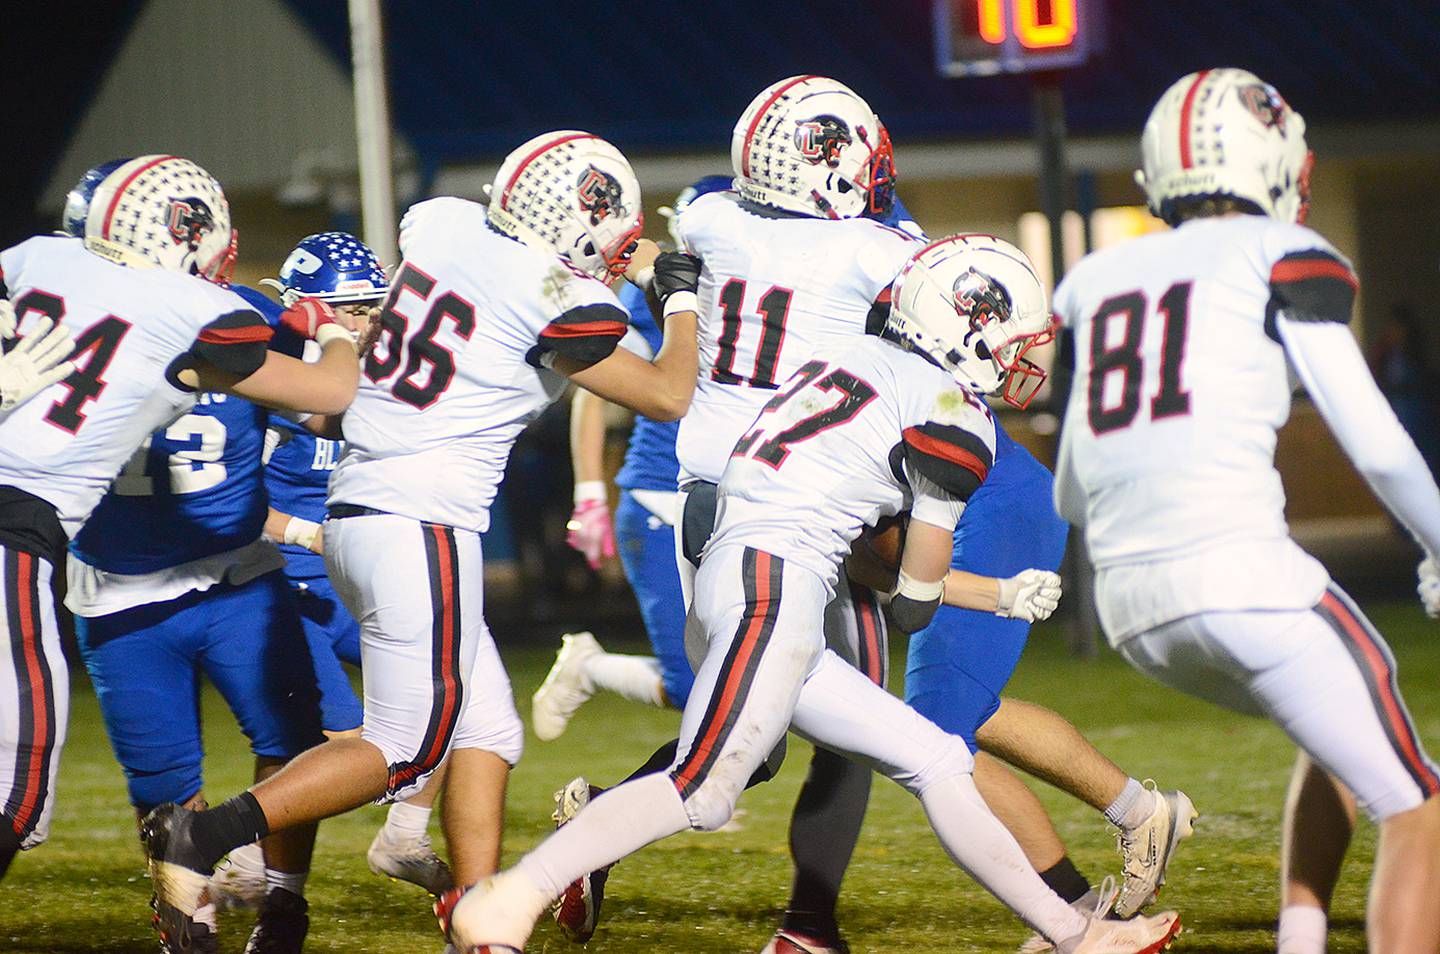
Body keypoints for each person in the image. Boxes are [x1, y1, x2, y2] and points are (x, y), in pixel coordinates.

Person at [440, 235, 1181, 954]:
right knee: (702, 788)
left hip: (745, 573)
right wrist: (986, 589)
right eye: (1016, 337)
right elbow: (913, 599)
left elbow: (860, 555)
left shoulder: (850, 359)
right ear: (970, 331)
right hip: (775, 589)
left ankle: (1078, 934)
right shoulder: (954, 414)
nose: (1026, 356)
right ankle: (509, 899)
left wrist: (998, 595)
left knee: (935, 760)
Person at [140, 130, 703, 954]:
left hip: (367, 508)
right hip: (422, 520)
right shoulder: (556, 295)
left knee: (487, 728)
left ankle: (479, 923)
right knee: (404, 750)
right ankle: (202, 836)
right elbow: (667, 394)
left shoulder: (443, 225)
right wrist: (677, 296)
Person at [1053, 68, 1440, 954]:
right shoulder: (1276, 252)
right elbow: (1376, 442)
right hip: (1242, 578)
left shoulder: (1097, 276)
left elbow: (1069, 489)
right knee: (1421, 809)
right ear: (1274, 157)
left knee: (1333, 732)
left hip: (1129, 610)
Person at [0, 154, 358, 884]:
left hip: (201, 568)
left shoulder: (43, 260)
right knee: (18, 789)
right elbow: (332, 392)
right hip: (45, 542)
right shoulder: (197, 310)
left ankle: (265, 902)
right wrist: (335, 330)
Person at [537, 175, 736, 733]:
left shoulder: (757, 290)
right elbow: (592, 397)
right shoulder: (655, 295)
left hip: (735, 498)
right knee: (691, 685)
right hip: (661, 499)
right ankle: (592, 669)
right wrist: (590, 494)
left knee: (747, 670)